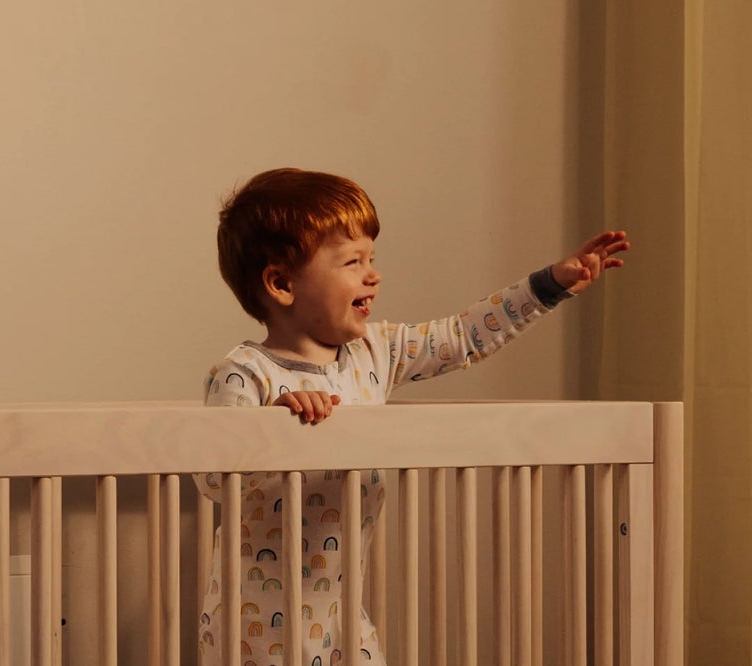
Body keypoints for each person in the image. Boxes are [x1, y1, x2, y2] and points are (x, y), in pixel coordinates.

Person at [196, 167, 629, 666]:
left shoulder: (373, 352)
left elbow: (462, 336)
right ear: (281, 283)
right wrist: (270, 428)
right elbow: (210, 477)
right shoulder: (247, 373)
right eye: (352, 261)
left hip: (341, 610)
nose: (373, 275)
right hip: (254, 620)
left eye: (372, 259)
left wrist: (549, 285)